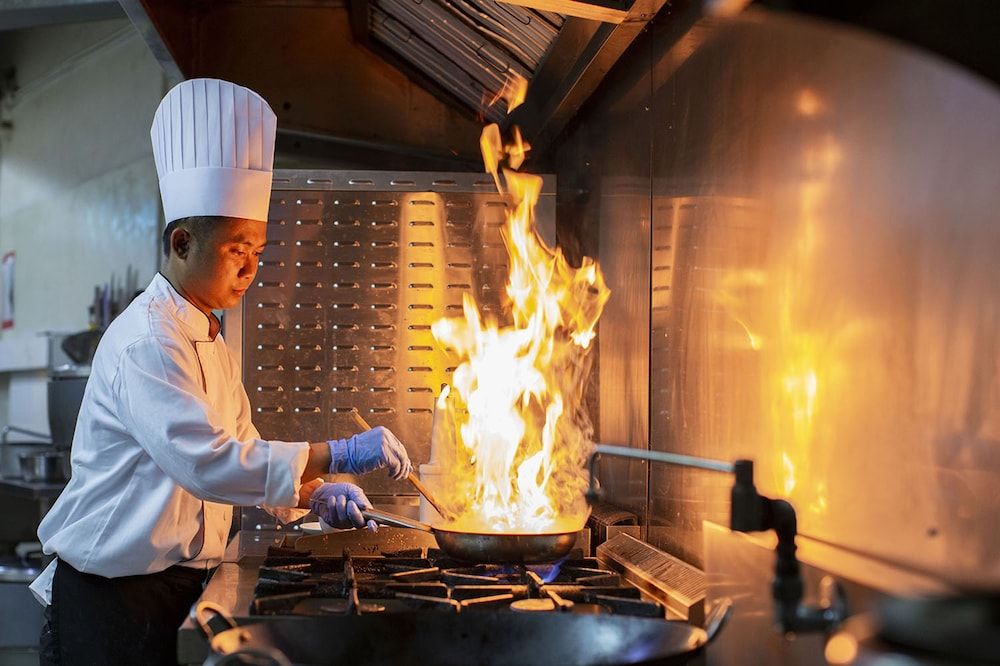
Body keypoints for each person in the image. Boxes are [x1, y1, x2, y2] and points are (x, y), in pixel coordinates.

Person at [29, 78, 412, 665]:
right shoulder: (148, 341)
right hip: (111, 602)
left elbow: (242, 449)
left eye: (259, 252)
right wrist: (338, 453)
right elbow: (207, 463)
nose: (252, 268)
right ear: (183, 242)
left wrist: (310, 496)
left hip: (174, 590)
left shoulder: (208, 332)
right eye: (238, 250)